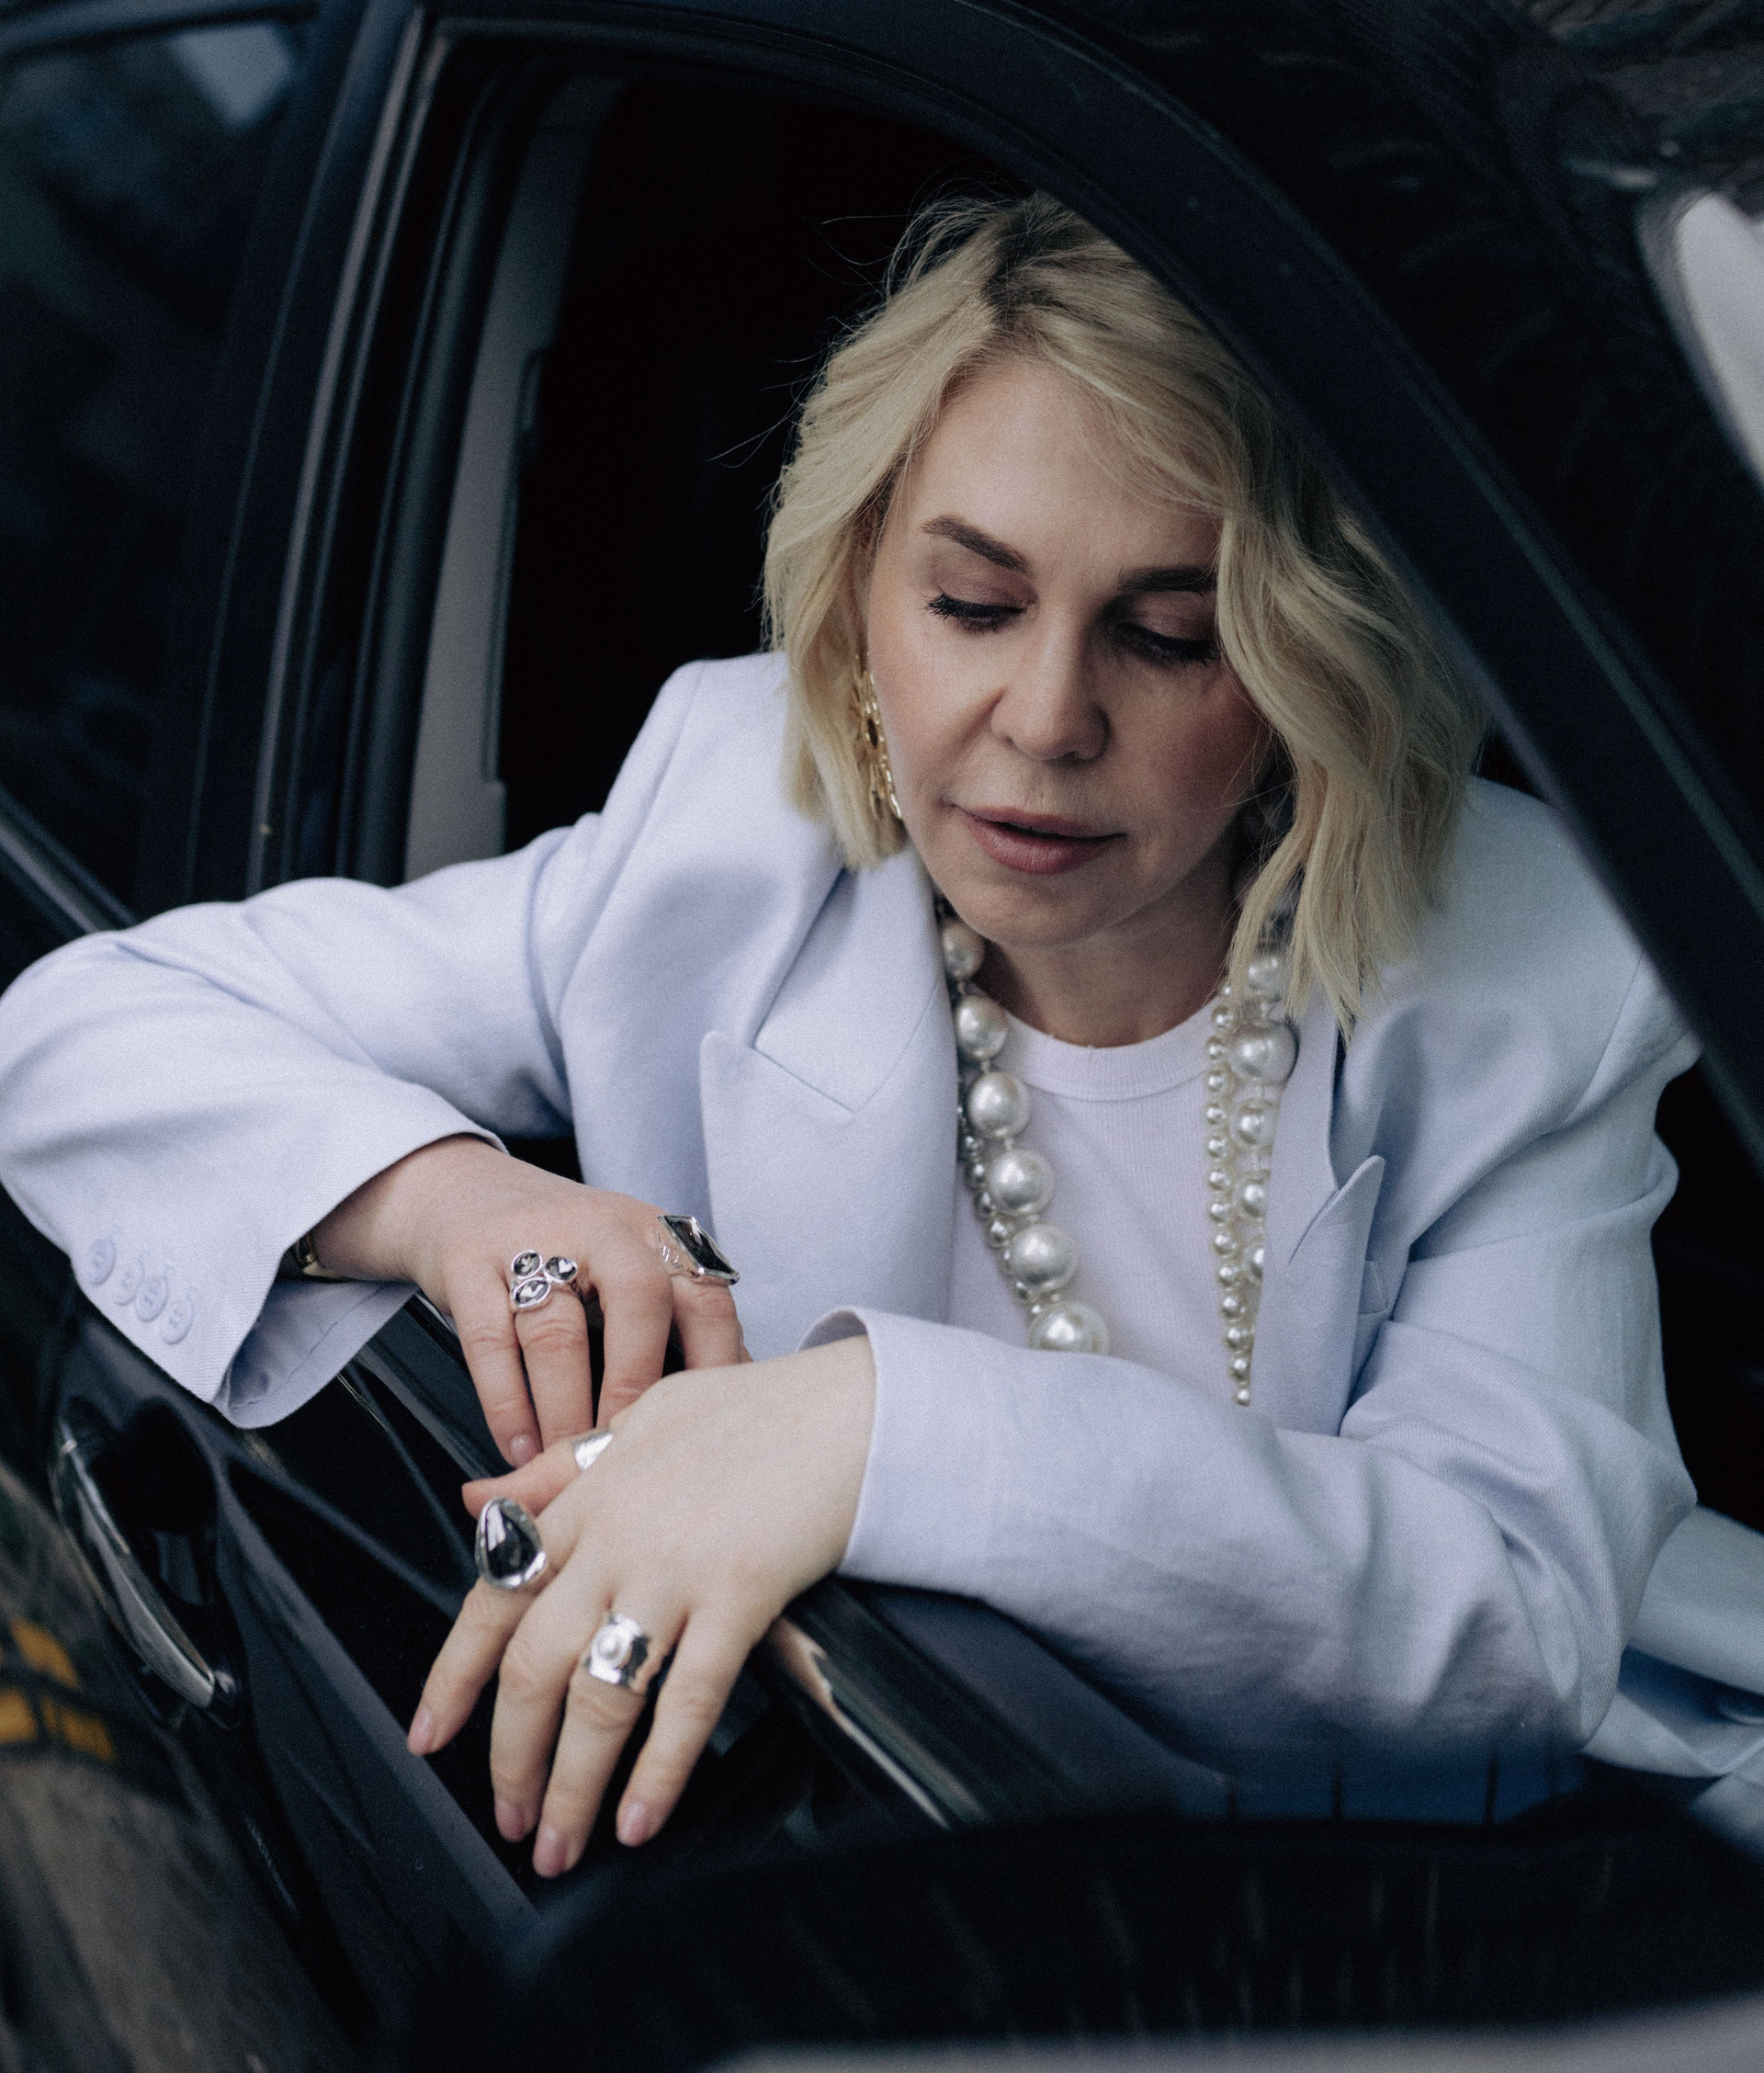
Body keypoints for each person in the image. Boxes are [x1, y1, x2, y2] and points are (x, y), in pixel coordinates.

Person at [3, 193, 1761, 1881]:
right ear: (856, 603)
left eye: (1169, 634)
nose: (1047, 717)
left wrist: (866, 1433)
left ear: (1308, 660)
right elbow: (76, 1026)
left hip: (1448, 1917)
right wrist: (457, 1202)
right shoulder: (725, 836)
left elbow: (1510, 1608)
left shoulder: (1528, 962)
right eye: (974, 607)